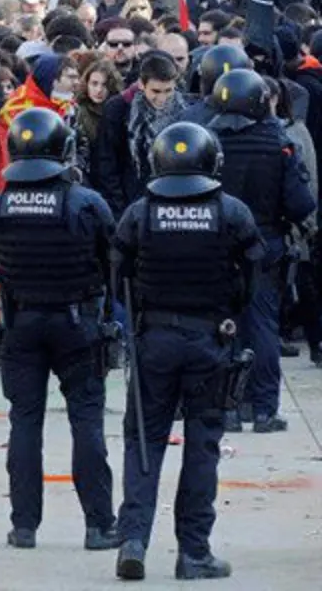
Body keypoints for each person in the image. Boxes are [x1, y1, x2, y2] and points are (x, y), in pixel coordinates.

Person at [112, 122, 264, 581]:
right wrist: (229, 313)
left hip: (153, 339)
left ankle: (133, 540)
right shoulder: (231, 212)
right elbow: (255, 272)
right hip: (209, 340)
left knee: (144, 440)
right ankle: (193, 552)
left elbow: (117, 272)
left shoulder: (140, 212)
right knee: (202, 445)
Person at [0, 109, 119, 551]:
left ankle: (24, 527)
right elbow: (111, 260)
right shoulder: (87, 202)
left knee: (25, 424)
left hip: (21, 323)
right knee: (87, 422)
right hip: (78, 323)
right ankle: (98, 526)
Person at [205, 70, 316, 433]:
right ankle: (265, 409)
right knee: (263, 326)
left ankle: (227, 409)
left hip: (216, 244)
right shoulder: (278, 143)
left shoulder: (207, 140)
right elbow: (300, 204)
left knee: (222, 327)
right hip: (265, 243)